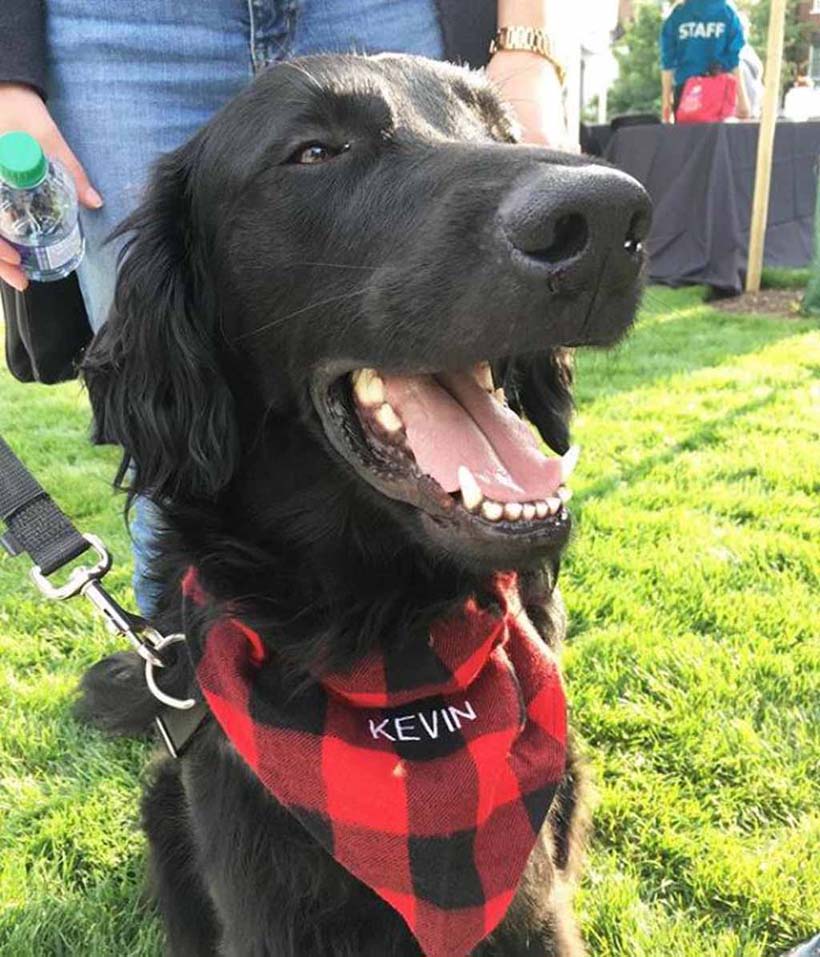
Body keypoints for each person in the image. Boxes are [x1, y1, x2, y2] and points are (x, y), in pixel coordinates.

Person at [0, 0, 572, 616]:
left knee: (455, 313)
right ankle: (197, 669)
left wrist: (526, 40)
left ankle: (491, 656)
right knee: (178, 440)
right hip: (121, 26)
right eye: (318, 154)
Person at [659, 0, 751, 122]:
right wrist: (742, 99)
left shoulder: (677, 16)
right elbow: (733, 61)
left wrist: (666, 100)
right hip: (719, 92)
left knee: (687, 139)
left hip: (686, 93)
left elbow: (668, 62)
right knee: (719, 139)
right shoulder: (727, 14)